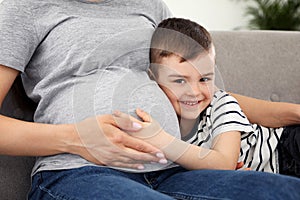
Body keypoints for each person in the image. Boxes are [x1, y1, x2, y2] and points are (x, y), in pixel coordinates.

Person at [0, 0, 300, 199]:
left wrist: (289, 112)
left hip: (173, 172)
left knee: (285, 192)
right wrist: (75, 138)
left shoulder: (149, 5)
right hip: (77, 171)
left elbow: (193, 86)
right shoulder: (25, 7)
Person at [121, 17, 300, 177]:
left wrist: (161, 140)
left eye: (204, 79)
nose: (194, 92)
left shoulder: (221, 105)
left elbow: (223, 163)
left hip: (287, 149)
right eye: (180, 81)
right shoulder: (160, 116)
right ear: (153, 78)